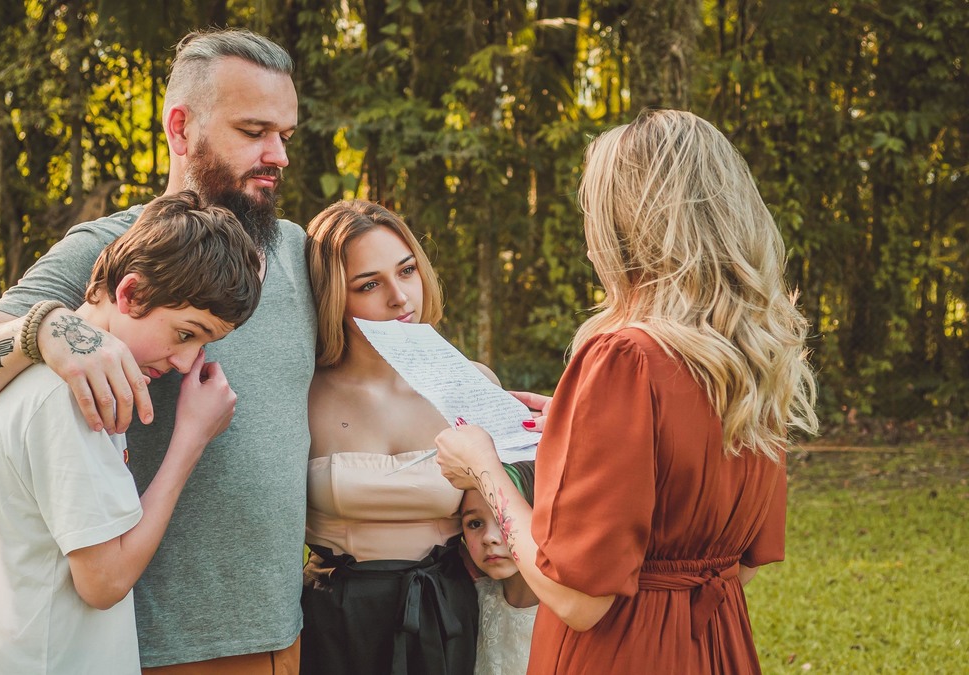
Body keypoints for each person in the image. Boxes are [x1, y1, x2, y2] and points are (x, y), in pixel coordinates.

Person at [0, 28, 317, 673]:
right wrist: (45, 331)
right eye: (253, 131)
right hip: (149, 647)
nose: (278, 154)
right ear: (181, 128)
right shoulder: (110, 250)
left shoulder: (301, 254)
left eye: (286, 136)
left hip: (284, 633)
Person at [435, 108, 819, 674]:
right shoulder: (751, 358)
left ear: (622, 231)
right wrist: (574, 425)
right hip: (715, 647)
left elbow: (577, 600)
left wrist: (483, 468)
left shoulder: (625, 357)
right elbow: (742, 563)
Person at [0, 191, 260, 673]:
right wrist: (190, 439)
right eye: (186, 333)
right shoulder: (69, 398)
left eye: (204, 342)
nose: (187, 362)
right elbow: (104, 582)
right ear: (131, 293)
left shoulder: (80, 381)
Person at [301, 200, 497, 674]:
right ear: (332, 298)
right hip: (332, 622)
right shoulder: (302, 394)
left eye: (407, 270)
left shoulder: (471, 384)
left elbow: (505, 523)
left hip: (446, 615)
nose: (400, 297)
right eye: (369, 284)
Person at [460, 460, 538, 675]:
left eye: (506, 519)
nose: (489, 538)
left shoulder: (571, 608)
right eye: (475, 523)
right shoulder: (475, 598)